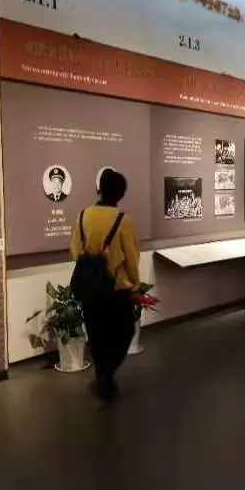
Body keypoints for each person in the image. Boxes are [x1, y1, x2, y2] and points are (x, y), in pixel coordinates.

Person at [70, 169, 140, 401]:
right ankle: (106, 374)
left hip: (89, 287)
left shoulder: (83, 215)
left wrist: (93, 262)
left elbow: (75, 251)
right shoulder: (124, 220)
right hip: (115, 290)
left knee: (97, 335)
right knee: (124, 331)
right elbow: (131, 257)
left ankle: (102, 375)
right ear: (120, 193)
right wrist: (134, 282)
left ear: (99, 188)